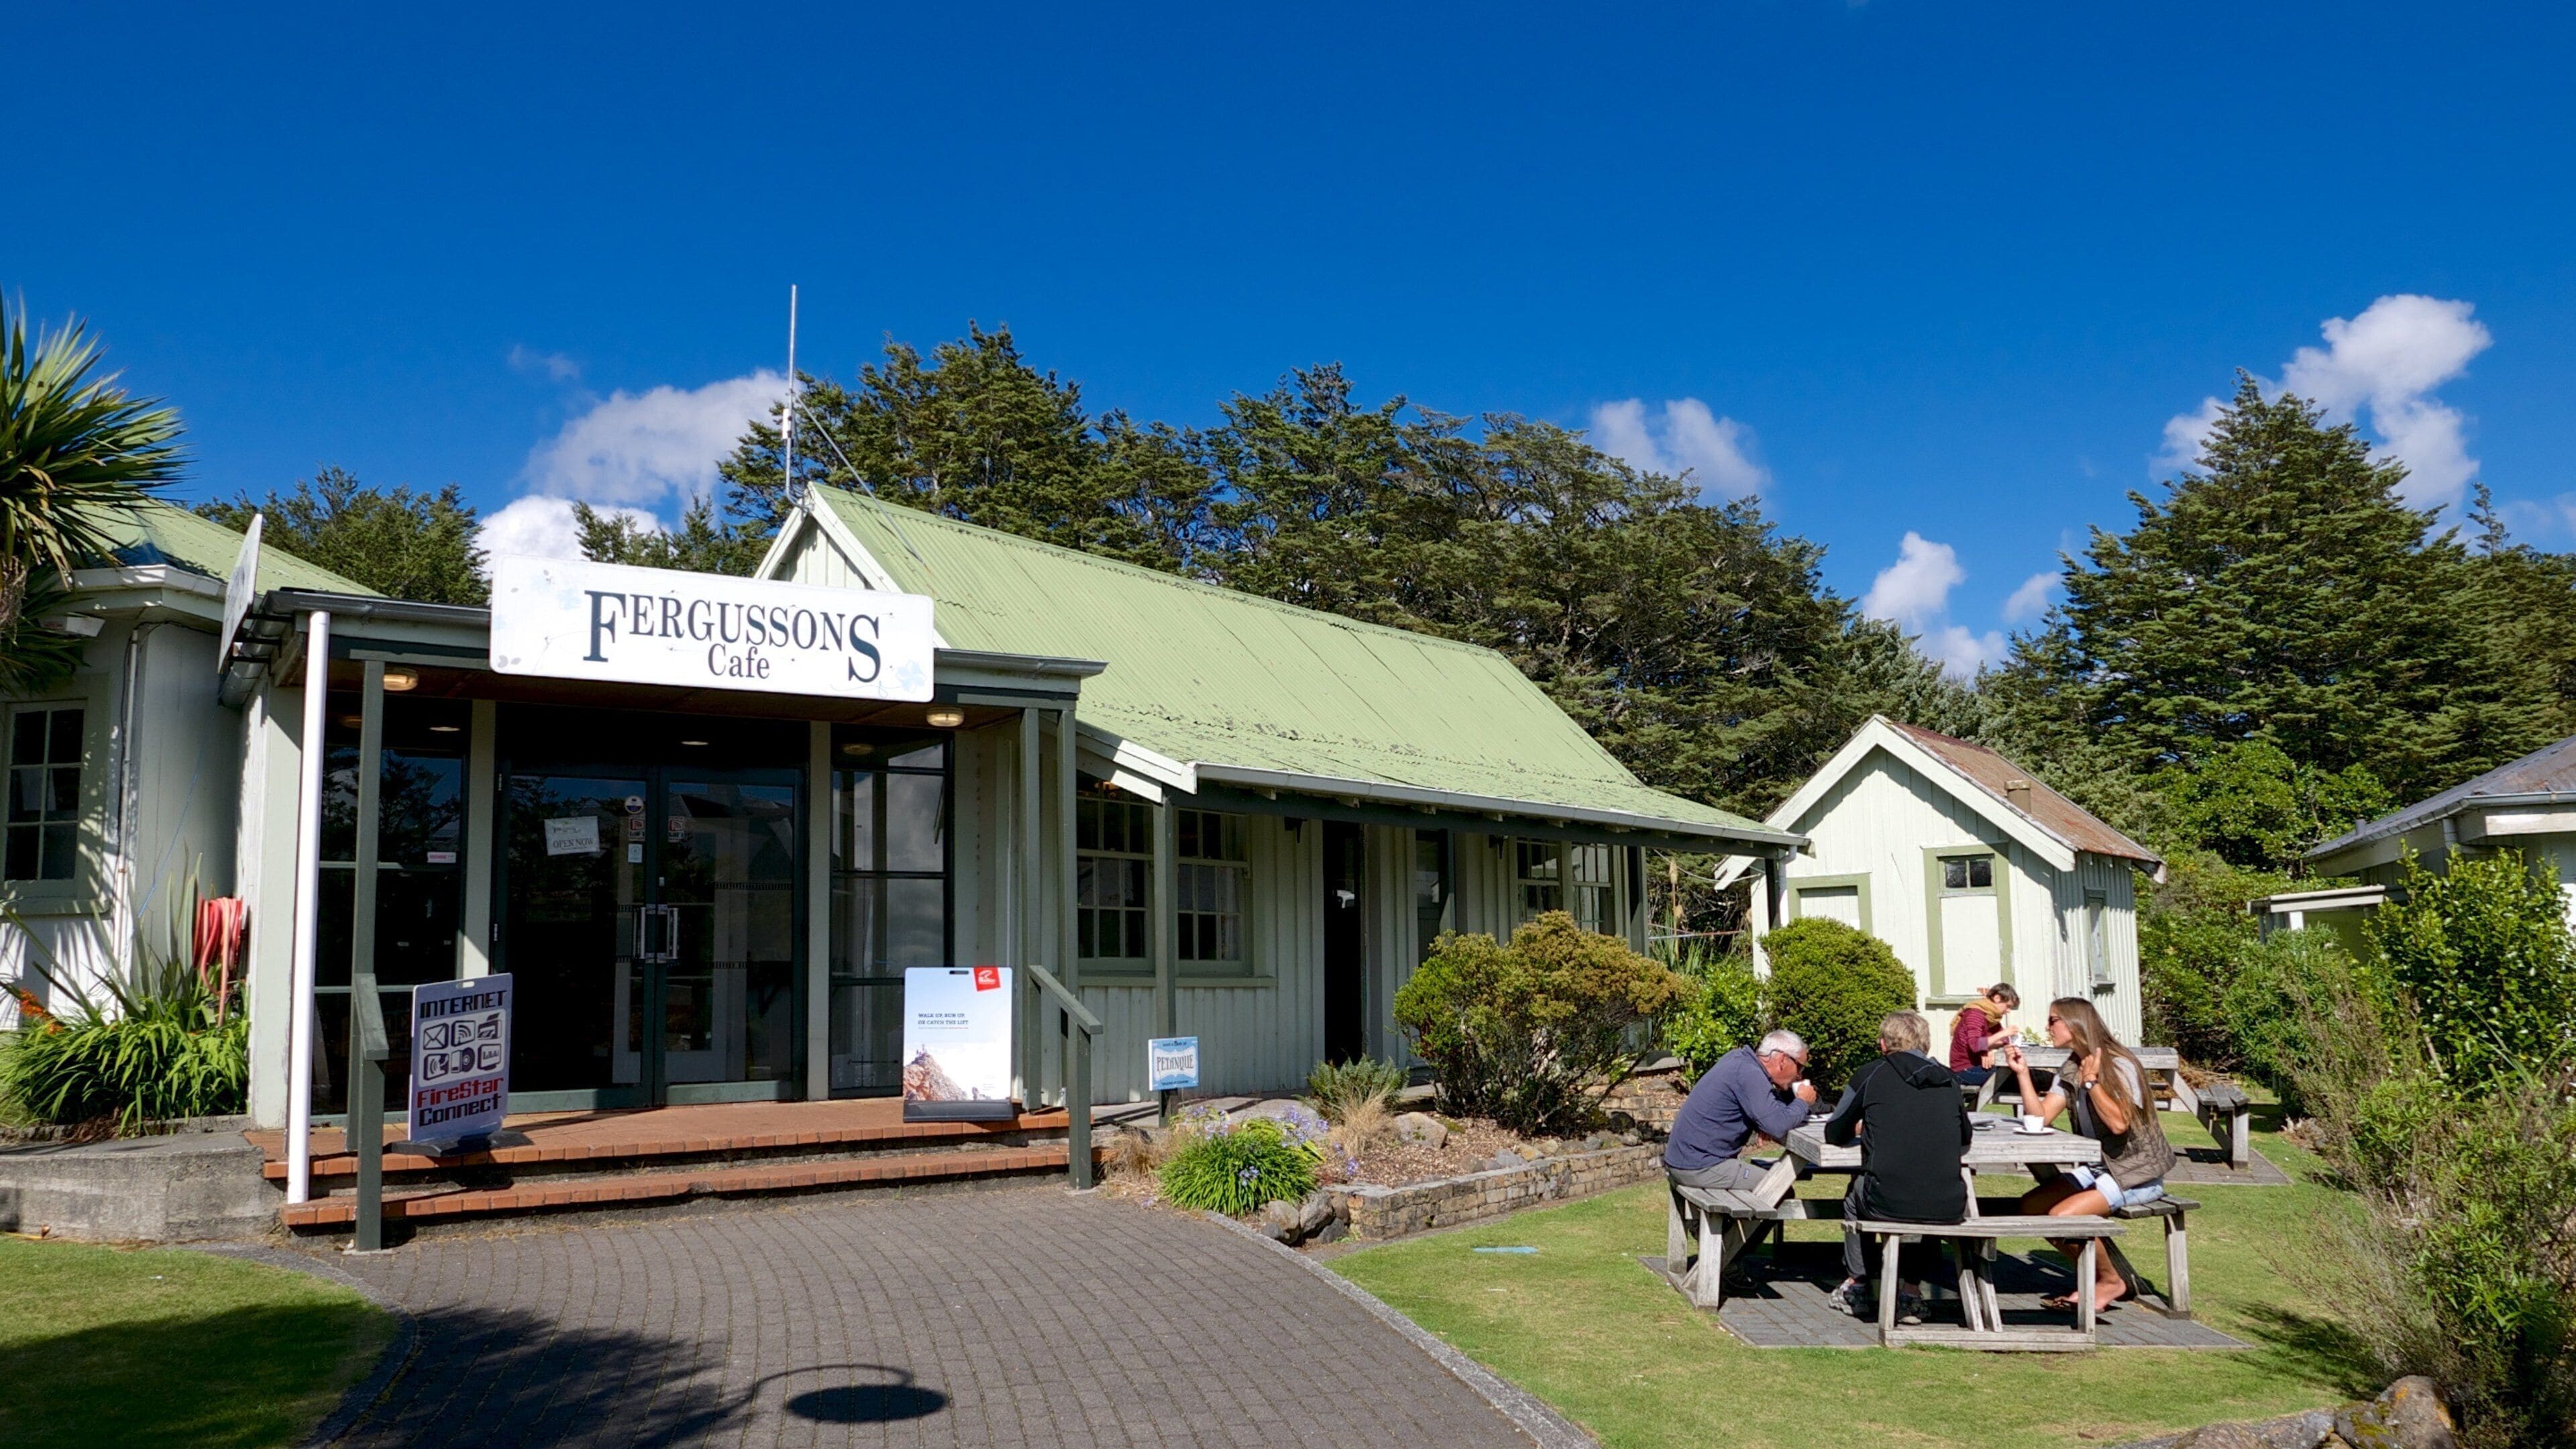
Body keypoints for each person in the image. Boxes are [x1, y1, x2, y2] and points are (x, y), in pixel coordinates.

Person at [2004, 997, 2176, 1314]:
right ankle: (2098, 1277)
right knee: (2032, 1206)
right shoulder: (2071, 1065)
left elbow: (2119, 1123)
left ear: (2076, 1024)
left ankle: (2110, 1281)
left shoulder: (2120, 1065)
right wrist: (2023, 1074)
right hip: (2099, 1169)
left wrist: (2092, 1083)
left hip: (2137, 1173)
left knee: (2062, 1217)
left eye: (2053, 1020)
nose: (2047, 1027)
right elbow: (2040, 1118)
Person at [1824, 1011, 1973, 1320]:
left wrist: (1864, 1126)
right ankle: (1912, 1290)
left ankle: (1858, 1283)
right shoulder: (1949, 1079)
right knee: (1929, 1192)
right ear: (1927, 1044)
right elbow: (1964, 1137)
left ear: (1883, 1044)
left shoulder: (1871, 1074)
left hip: (1884, 1198)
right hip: (1948, 1203)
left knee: (1856, 1194)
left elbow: (1834, 1131)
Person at [1664, 1029, 1818, 1195]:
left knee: (1775, 1184)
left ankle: (1734, 1222)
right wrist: (1803, 1101)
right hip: (1700, 1167)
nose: (1799, 1076)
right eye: (1800, 1067)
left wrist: (1763, 1122)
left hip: (1684, 1161)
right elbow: (1777, 1125)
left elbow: (1772, 1114)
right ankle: (1734, 1223)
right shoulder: (1750, 1074)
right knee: (1780, 1190)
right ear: (1782, 1060)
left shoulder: (1739, 1060)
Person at [1946, 983, 2021, 1087]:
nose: (2008, 1011)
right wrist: (2002, 1034)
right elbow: (1976, 1045)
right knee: (2019, 1075)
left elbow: (2004, 1040)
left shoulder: (1990, 1016)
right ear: (1997, 998)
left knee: (2019, 1073)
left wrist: (1988, 1049)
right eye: (2008, 1006)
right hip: (1965, 1071)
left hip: (1976, 1066)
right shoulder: (1975, 1015)